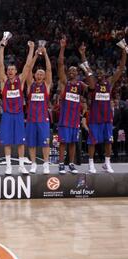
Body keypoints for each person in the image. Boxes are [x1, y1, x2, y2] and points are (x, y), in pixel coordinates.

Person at [79, 43, 127, 173]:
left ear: (105, 74)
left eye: (102, 72)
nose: (99, 74)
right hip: (95, 119)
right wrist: (83, 54)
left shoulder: (110, 83)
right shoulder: (93, 84)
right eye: (97, 73)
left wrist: (124, 51)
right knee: (92, 142)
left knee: (108, 141)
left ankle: (107, 163)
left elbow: (121, 68)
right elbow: (87, 69)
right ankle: (91, 163)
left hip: (107, 119)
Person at [0, 39, 35, 175]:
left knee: (20, 142)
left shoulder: (21, 80)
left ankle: (20, 165)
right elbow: (0, 65)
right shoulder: (4, 81)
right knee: (7, 142)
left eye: (12, 69)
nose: (10, 71)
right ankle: (8, 166)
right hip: (7, 115)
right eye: (9, 69)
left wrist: (31, 50)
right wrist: (2, 47)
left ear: (16, 71)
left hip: (19, 114)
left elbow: (28, 66)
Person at [57, 36, 88, 174]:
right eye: (69, 71)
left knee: (73, 143)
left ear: (77, 73)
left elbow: (92, 83)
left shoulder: (81, 85)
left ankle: (70, 163)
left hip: (75, 119)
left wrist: (83, 55)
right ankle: (60, 164)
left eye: (74, 71)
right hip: (64, 119)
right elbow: (60, 64)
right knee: (63, 142)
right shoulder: (65, 83)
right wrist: (62, 48)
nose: (71, 72)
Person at [25, 46, 52, 174]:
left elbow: (49, 69)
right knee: (31, 143)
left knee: (45, 143)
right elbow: (29, 69)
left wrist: (45, 54)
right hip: (31, 119)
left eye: (42, 74)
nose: (40, 75)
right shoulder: (30, 85)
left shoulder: (46, 85)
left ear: (44, 76)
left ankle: (46, 164)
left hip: (43, 120)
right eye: (38, 73)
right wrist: (35, 55)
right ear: (35, 76)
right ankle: (34, 163)